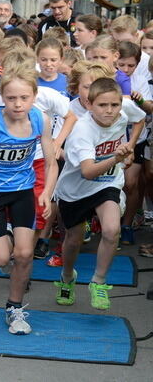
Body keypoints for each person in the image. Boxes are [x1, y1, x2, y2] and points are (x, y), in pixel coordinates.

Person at [0, 62, 57, 335]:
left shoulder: (40, 120)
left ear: (34, 97)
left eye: (24, 98)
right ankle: (5, 238)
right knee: (1, 260)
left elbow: (51, 162)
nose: (18, 104)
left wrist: (47, 194)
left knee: (25, 254)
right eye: (12, 98)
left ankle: (15, 308)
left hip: (23, 192)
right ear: (2, 98)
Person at [56, 77, 145, 311]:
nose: (110, 111)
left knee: (111, 230)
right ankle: (67, 277)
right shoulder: (82, 131)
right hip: (76, 190)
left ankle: (99, 281)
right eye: (103, 106)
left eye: (114, 105)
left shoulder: (122, 109)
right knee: (73, 240)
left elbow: (140, 119)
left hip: (107, 184)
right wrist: (116, 157)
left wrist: (131, 146)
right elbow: (87, 172)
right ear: (90, 105)